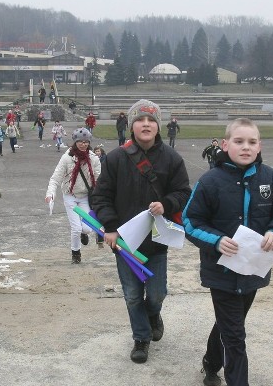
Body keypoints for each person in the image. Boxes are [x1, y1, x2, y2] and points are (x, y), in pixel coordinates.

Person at [183, 117, 273, 386]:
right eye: (239, 141)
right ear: (225, 144)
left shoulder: (270, 179)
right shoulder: (211, 181)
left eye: (252, 142)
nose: (245, 147)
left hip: (253, 271)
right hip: (220, 271)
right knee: (235, 336)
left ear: (259, 146)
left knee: (228, 323)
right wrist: (216, 240)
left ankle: (209, 362)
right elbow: (191, 222)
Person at [92, 99, 191, 363]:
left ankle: (153, 313)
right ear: (131, 125)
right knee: (133, 294)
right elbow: (100, 196)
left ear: (158, 126)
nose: (145, 124)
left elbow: (183, 193)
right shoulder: (114, 159)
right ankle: (141, 338)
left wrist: (167, 203)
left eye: (151, 120)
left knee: (157, 293)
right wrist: (109, 229)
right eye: (140, 120)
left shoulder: (172, 159)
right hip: (124, 243)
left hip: (157, 240)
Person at [45, 128, 102, 264]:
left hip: (85, 197)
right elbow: (55, 179)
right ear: (75, 142)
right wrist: (50, 193)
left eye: (86, 142)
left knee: (87, 228)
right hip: (70, 195)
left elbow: (100, 179)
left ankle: (84, 234)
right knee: (76, 228)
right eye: (80, 142)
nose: (83, 144)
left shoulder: (94, 159)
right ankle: (76, 253)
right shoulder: (67, 158)